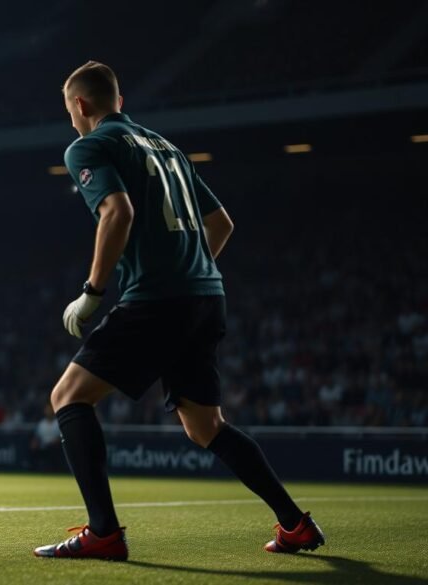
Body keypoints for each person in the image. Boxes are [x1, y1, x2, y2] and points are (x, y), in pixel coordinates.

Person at [33, 61, 324, 560]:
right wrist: (189, 270)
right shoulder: (167, 147)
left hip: (158, 298)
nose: (72, 121)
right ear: (119, 101)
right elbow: (222, 224)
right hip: (206, 296)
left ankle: (103, 533)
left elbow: (116, 212)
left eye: (70, 112)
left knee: (68, 397)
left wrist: (93, 292)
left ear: (80, 106)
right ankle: (295, 525)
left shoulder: (89, 145)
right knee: (206, 426)